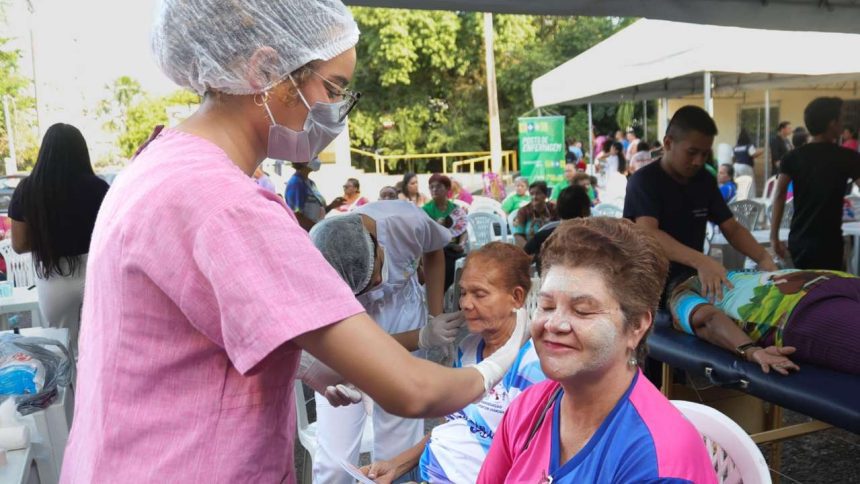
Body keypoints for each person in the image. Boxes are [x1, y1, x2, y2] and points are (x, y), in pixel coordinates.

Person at [61, 2, 528, 481]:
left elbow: (184, 334)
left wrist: (307, 369)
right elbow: (412, 390)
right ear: (265, 69)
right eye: (332, 89)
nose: (337, 112)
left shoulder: (158, 165)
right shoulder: (226, 203)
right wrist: (506, 356)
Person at [477, 218, 717, 484]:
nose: (554, 324)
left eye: (583, 310)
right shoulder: (528, 408)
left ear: (636, 326)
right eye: (546, 306)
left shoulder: (657, 459)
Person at [361, 242, 545, 484]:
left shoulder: (532, 369)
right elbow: (454, 426)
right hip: (429, 470)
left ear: (516, 298)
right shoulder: (468, 348)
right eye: (463, 292)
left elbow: (527, 466)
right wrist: (395, 466)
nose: (466, 304)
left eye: (479, 294)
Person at [309, 202, 463, 483]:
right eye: (367, 284)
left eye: (377, 269)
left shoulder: (405, 221)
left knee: (397, 452)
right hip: (344, 331)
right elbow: (358, 349)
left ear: (376, 241)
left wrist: (435, 314)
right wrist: (422, 337)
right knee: (334, 460)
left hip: (403, 316)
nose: (379, 280)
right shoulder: (317, 259)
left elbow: (434, 251)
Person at [625, 105, 777, 305]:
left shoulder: (704, 179)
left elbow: (731, 227)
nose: (698, 161)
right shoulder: (644, 181)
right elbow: (648, 233)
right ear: (668, 143)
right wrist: (702, 260)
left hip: (691, 281)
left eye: (705, 154)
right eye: (692, 152)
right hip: (649, 286)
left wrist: (763, 258)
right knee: (705, 318)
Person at [9, 123, 109, 355]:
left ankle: (68, 393)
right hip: (94, 273)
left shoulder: (28, 189)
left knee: (60, 348)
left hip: (52, 274)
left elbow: (19, 245)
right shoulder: (99, 187)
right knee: (97, 346)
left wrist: (51, 236)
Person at [669, 269, 860, 375]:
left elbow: (707, 319)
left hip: (794, 306)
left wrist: (750, 351)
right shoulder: (735, 272)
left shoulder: (680, 293)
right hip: (833, 279)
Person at [772, 97, 860, 270]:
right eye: (841, 118)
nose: (843, 123)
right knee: (831, 290)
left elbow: (779, 195)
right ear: (832, 123)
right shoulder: (847, 157)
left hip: (799, 240)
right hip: (830, 242)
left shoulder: (792, 157)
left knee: (805, 291)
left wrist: (774, 236)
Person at [524, 185, 591, 271]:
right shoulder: (595, 240)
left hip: (549, 283)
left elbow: (519, 261)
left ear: (558, 208)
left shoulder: (542, 237)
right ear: (586, 210)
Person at [423, 173, 468, 291]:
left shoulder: (455, 208)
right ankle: (444, 294)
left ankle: (458, 295)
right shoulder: (426, 210)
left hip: (455, 249)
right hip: (436, 249)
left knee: (468, 261)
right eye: (431, 187)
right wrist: (436, 227)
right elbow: (424, 234)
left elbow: (463, 230)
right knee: (447, 261)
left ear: (447, 189)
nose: (434, 190)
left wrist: (462, 244)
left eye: (438, 186)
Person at [286, 160, 344, 230]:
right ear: (302, 161)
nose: (317, 160)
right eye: (314, 157)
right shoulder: (295, 183)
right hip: (307, 235)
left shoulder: (311, 183)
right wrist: (318, 229)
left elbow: (316, 214)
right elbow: (296, 216)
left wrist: (331, 206)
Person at [513, 180, 558, 247]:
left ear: (545, 195)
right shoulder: (523, 211)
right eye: (532, 194)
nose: (534, 197)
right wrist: (528, 249)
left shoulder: (553, 209)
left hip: (552, 247)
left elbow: (561, 228)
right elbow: (518, 235)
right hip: (531, 249)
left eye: (538, 193)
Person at [732, 128, 763, 197]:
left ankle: (740, 199)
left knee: (739, 184)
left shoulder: (735, 147)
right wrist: (762, 151)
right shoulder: (748, 146)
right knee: (750, 184)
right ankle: (750, 200)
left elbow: (733, 157)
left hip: (736, 166)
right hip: (745, 166)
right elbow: (753, 154)